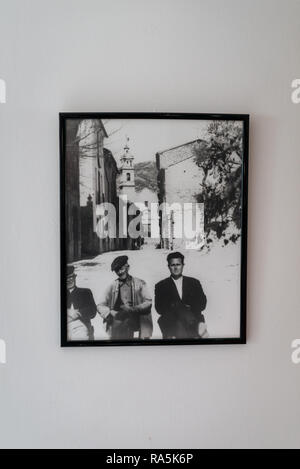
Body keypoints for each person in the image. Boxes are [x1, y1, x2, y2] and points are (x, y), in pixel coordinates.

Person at [97, 255, 153, 340]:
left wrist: (134, 309)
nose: (120, 272)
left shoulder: (140, 283)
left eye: (122, 269)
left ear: (128, 268)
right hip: (120, 319)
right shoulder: (113, 285)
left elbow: (148, 302)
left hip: (137, 317)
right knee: (120, 327)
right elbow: (100, 305)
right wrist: (110, 313)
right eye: (117, 270)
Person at [155, 252, 208, 339]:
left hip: (193, 318)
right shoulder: (161, 285)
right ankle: (198, 328)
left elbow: (202, 304)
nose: (176, 268)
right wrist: (178, 308)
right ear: (168, 266)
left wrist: (186, 308)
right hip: (172, 322)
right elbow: (159, 309)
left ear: (183, 265)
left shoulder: (194, 283)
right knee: (178, 319)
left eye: (178, 264)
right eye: (172, 265)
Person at [67, 265, 97, 341]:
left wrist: (78, 313)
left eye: (71, 277)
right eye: (66, 278)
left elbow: (92, 311)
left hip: (81, 325)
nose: (69, 280)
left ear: (74, 277)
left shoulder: (85, 292)